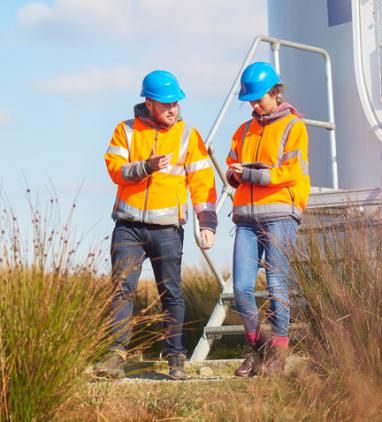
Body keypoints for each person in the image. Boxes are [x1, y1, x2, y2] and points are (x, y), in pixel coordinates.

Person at [96, 70, 217, 380]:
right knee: (122, 290)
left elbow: (202, 183)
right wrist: (146, 167)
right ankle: (115, 356)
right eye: (165, 104)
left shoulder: (189, 136)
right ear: (148, 102)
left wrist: (207, 223)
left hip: (167, 230)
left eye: (175, 103)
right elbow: (116, 170)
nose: (172, 109)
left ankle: (176, 358)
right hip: (128, 226)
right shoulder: (125, 131)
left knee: (171, 293)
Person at [225, 61, 309, 377]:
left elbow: (292, 173)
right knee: (242, 288)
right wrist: (235, 176)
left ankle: (277, 355)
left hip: (280, 215)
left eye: (259, 97)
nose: (255, 104)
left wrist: (250, 174)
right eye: (251, 99)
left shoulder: (294, 127)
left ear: (276, 92)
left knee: (276, 285)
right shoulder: (242, 131)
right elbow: (233, 165)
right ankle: (258, 351)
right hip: (245, 218)